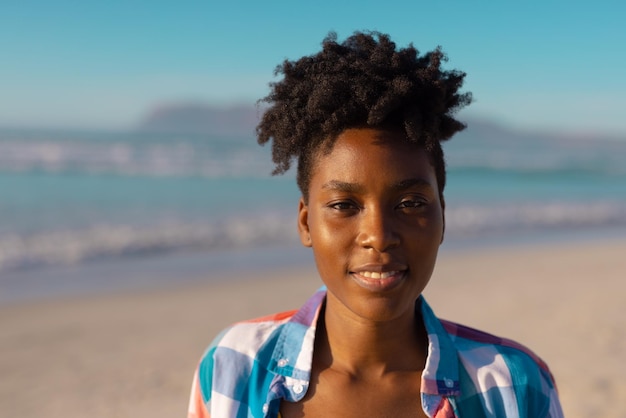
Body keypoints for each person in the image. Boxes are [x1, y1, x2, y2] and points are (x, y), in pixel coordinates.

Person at [188, 31, 564, 418]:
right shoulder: (233, 366)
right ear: (306, 223)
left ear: (442, 217)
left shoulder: (514, 386)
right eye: (344, 205)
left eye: (411, 203)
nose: (379, 237)